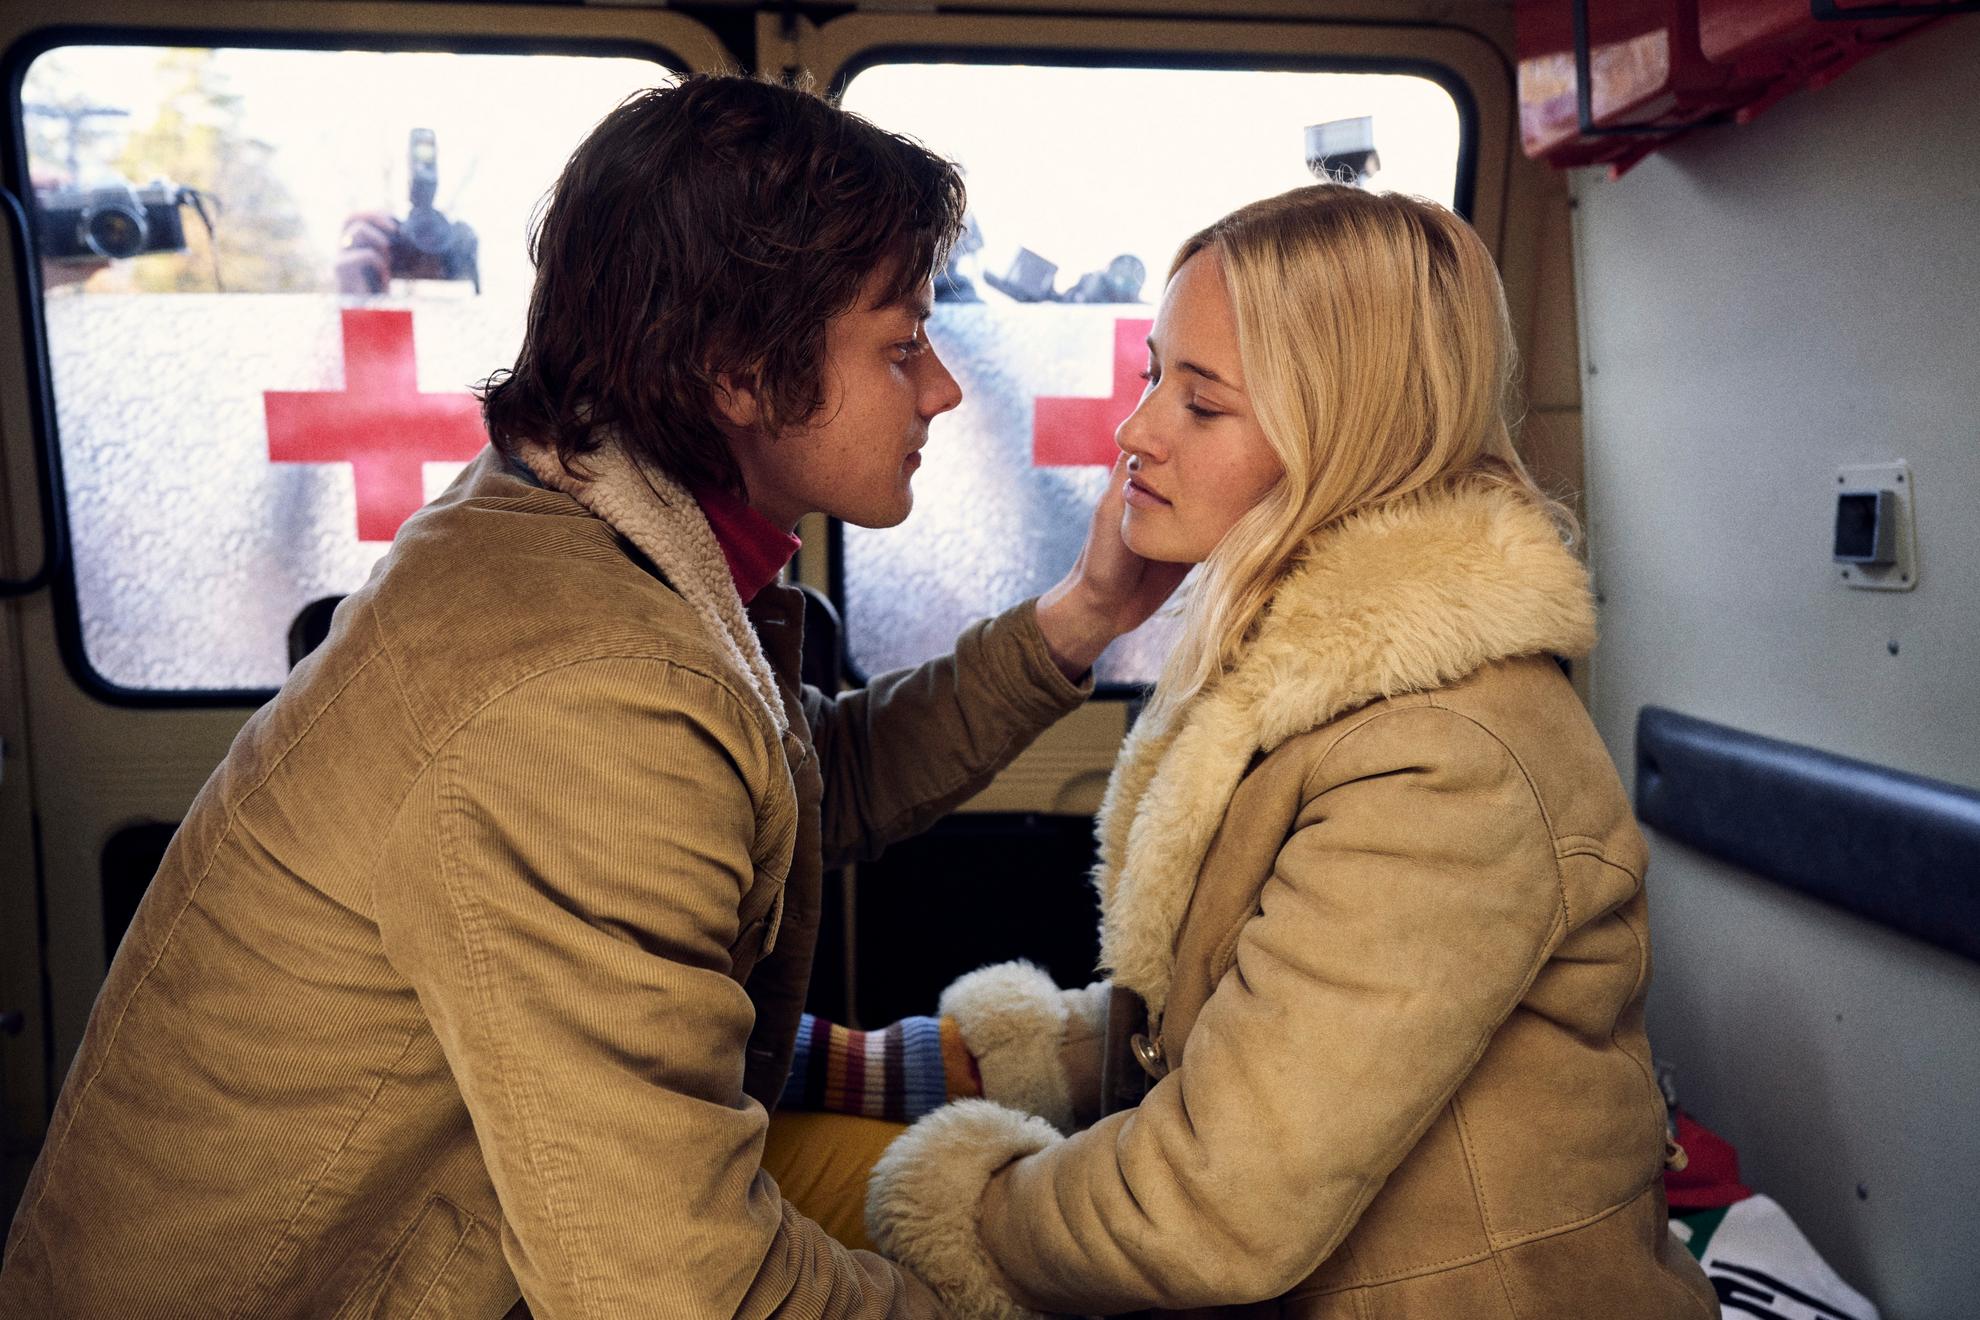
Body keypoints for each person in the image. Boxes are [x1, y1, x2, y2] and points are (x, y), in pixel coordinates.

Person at [0, 74, 1185, 1317]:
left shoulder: (582, 520)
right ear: (737, 369)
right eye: (901, 346)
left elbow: (796, 788)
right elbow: (679, 1290)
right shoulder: (585, 685)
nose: (941, 388)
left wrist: (1085, 614)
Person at [860, 184, 1722, 1319]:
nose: (1135, 432)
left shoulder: (1438, 758)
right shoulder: (1304, 681)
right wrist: (1012, 1056)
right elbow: (1241, 1013)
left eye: (1201, 403)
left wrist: (969, 1210)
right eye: (1152, 379)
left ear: (1347, 439)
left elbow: (1216, 1203)